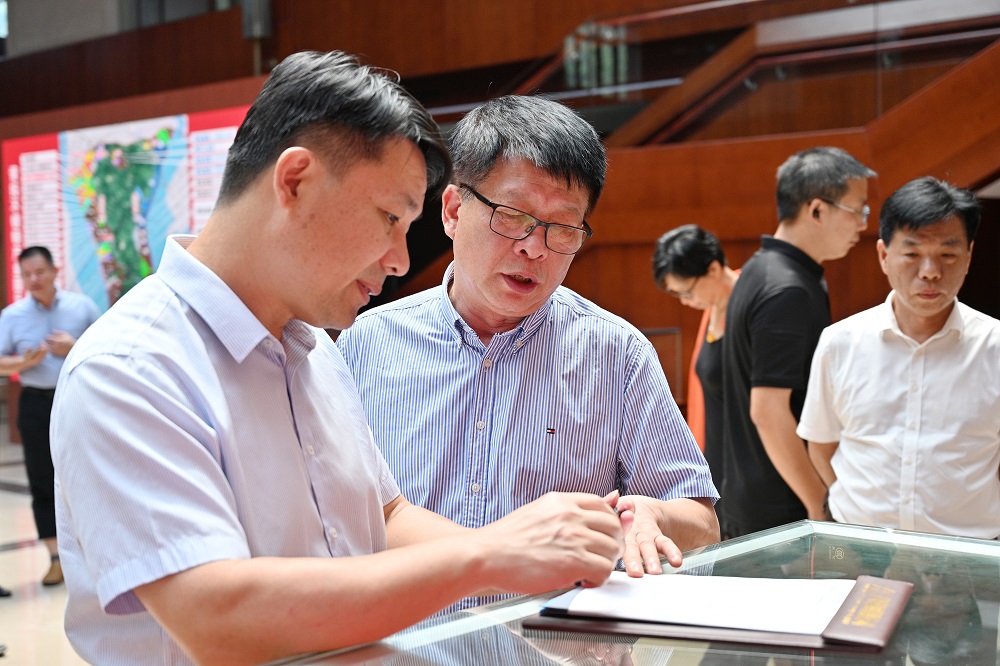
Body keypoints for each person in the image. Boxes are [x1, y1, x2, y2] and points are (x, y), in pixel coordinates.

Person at [49, 51, 630, 665]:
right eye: (390, 218)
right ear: (295, 181)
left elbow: (385, 515)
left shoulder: (313, 349)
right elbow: (218, 617)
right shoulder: (132, 367)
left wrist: (537, 554)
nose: (400, 260)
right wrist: (488, 555)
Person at [337, 94, 720, 597]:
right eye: (513, 215)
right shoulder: (367, 344)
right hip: (409, 634)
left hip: (552, 636)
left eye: (563, 228)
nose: (534, 247)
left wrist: (656, 514)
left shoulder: (616, 354)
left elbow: (703, 522)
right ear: (453, 211)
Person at [798, 176, 999, 539]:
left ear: (969, 257)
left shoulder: (994, 346)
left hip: (968, 552)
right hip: (860, 544)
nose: (930, 272)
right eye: (912, 254)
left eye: (948, 255)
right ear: (884, 256)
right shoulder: (840, 342)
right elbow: (822, 446)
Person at [721, 146, 876, 538]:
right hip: (781, 510)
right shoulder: (787, 289)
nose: (863, 224)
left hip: (755, 497)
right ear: (817, 210)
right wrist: (818, 503)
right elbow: (768, 412)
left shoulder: (761, 268)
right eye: (857, 210)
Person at [0, 246, 99, 588]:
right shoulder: (12, 315)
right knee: (42, 480)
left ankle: (93, 555)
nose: (34, 279)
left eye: (39, 272)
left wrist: (74, 346)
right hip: (35, 403)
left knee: (86, 476)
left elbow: (107, 350)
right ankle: (56, 559)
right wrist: (24, 363)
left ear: (55, 271)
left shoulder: (82, 307)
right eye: (27, 274)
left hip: (78, 400)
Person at [652, 225, 739, 538]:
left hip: (742, 465)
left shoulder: (748, 301)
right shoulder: (713, 308)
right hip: (719, 458)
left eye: (687, 292)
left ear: (713, 270)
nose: (685, 302)